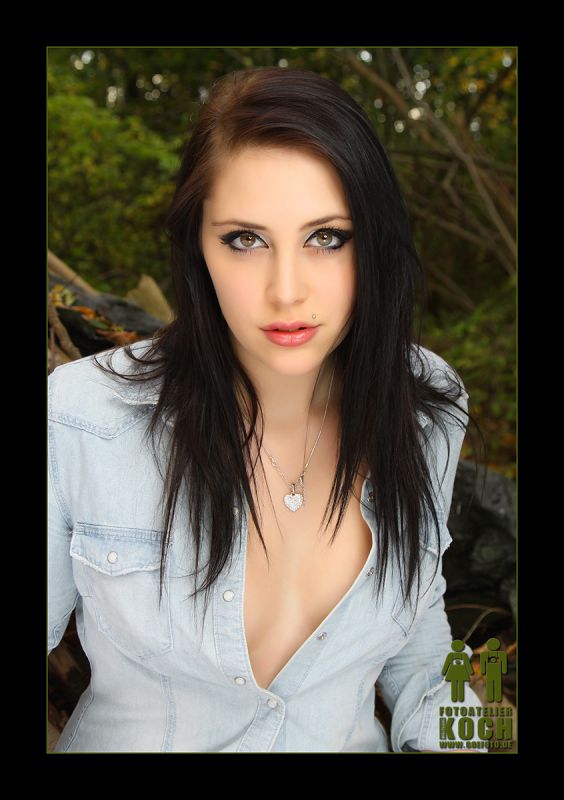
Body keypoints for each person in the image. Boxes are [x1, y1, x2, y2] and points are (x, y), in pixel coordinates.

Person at [48, 66, 487, 753]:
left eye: (327, 237)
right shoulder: (83, 418)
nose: (287, 291)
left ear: (374, 241)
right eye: (245, 239)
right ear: (198, 245)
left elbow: (424, 650)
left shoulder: (427, 407)